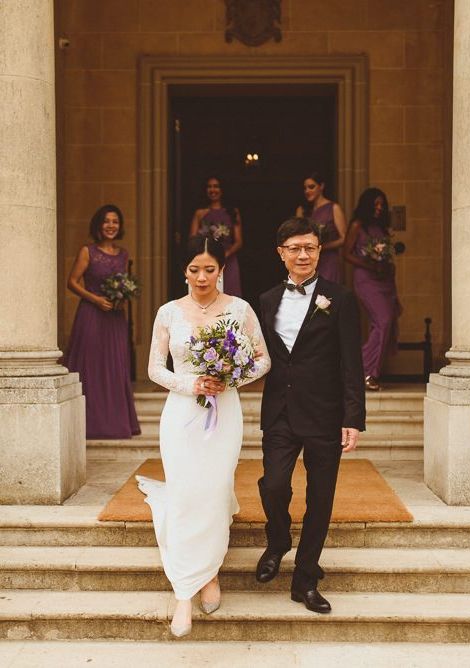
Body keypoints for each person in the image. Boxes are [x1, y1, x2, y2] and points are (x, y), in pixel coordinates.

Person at [137, 236, 270, 637]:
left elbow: (263, 359)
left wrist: (230, 378)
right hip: (181, 414)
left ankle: (209, 573)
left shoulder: (239, 310)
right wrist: (190, 384)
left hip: (224, 412)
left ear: (222, 269)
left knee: (213, 491)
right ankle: (183, 591)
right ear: (184, 270)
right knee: (184, 494)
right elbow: (154, 369)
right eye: (194, 269)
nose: (201, 277)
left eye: (209, 269)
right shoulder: (168, 312)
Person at [256, 217, 365, 613]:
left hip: (325, 414)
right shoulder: (266, 300)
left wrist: (353, 417)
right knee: (273, 485)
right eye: (295, 248)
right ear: (281, 253)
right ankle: (279, 539)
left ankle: (305, 579)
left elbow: (351, 363)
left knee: (320, 498)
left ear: (319, 251)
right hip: (280, 412)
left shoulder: (341, 299)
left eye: (311, 248)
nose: (303, 255)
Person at [65, 204, 140, 439]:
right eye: (107, 221)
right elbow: (72, 282)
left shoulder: (124, 254)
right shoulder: (87, 251)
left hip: (115, 319)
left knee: (115, 367)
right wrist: (96, 299)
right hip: (91, 315)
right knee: (91, 366)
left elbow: (126, 284)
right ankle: (88, 424)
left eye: (115, 222)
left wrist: (122, 297)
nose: (111, 226)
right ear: (99, 225)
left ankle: (115, 423)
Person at [343, 188, 401, 391]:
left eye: (382, 205)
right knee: (382, 321)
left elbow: (387, 256)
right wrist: (369, 264)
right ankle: (364, 371)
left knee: (385, 324)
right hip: (366, 280)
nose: (379, 208)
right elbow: (346, 254)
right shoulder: (358, 226)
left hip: (385, 281)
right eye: (375, 204)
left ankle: (369, 373)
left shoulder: (383, 230)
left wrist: (386, 264)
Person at [190, 176, 243, 297]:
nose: (212, 190)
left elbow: (239, 241)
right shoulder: (200, 213)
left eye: (216, 186)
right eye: (209, 187)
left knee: (230, 296)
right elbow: (192, 239)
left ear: (222, 189)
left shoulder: (232, 212)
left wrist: (225, 254)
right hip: (206, 260)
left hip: (228, 261)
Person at [295, 172, 346, 283]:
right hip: (307, 260)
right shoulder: (302, 210)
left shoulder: (333, 208)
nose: (307, 191)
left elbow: (344, 238)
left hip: (329, 261)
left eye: (311, 187)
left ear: (321, 186)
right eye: (305, 188)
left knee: (327, 295)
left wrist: (323, 247)